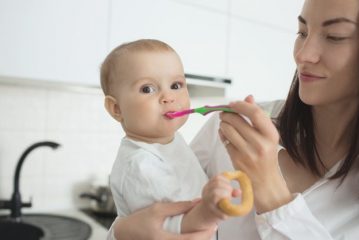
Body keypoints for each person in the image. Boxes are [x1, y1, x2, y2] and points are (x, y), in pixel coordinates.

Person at [108, 0, 359, 239]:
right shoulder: (232, 125)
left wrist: (271, 191)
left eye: (335, 36)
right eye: (302, 32)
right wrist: (122, 232)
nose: (303, 55)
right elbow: (159, 218)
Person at [100, 39, 235, 240]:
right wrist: (209, 210)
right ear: (116, 109)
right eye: (147, 89)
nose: (168, 97)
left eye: (176, 85)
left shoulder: (170, 141)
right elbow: (166, 226)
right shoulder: (140, 164)